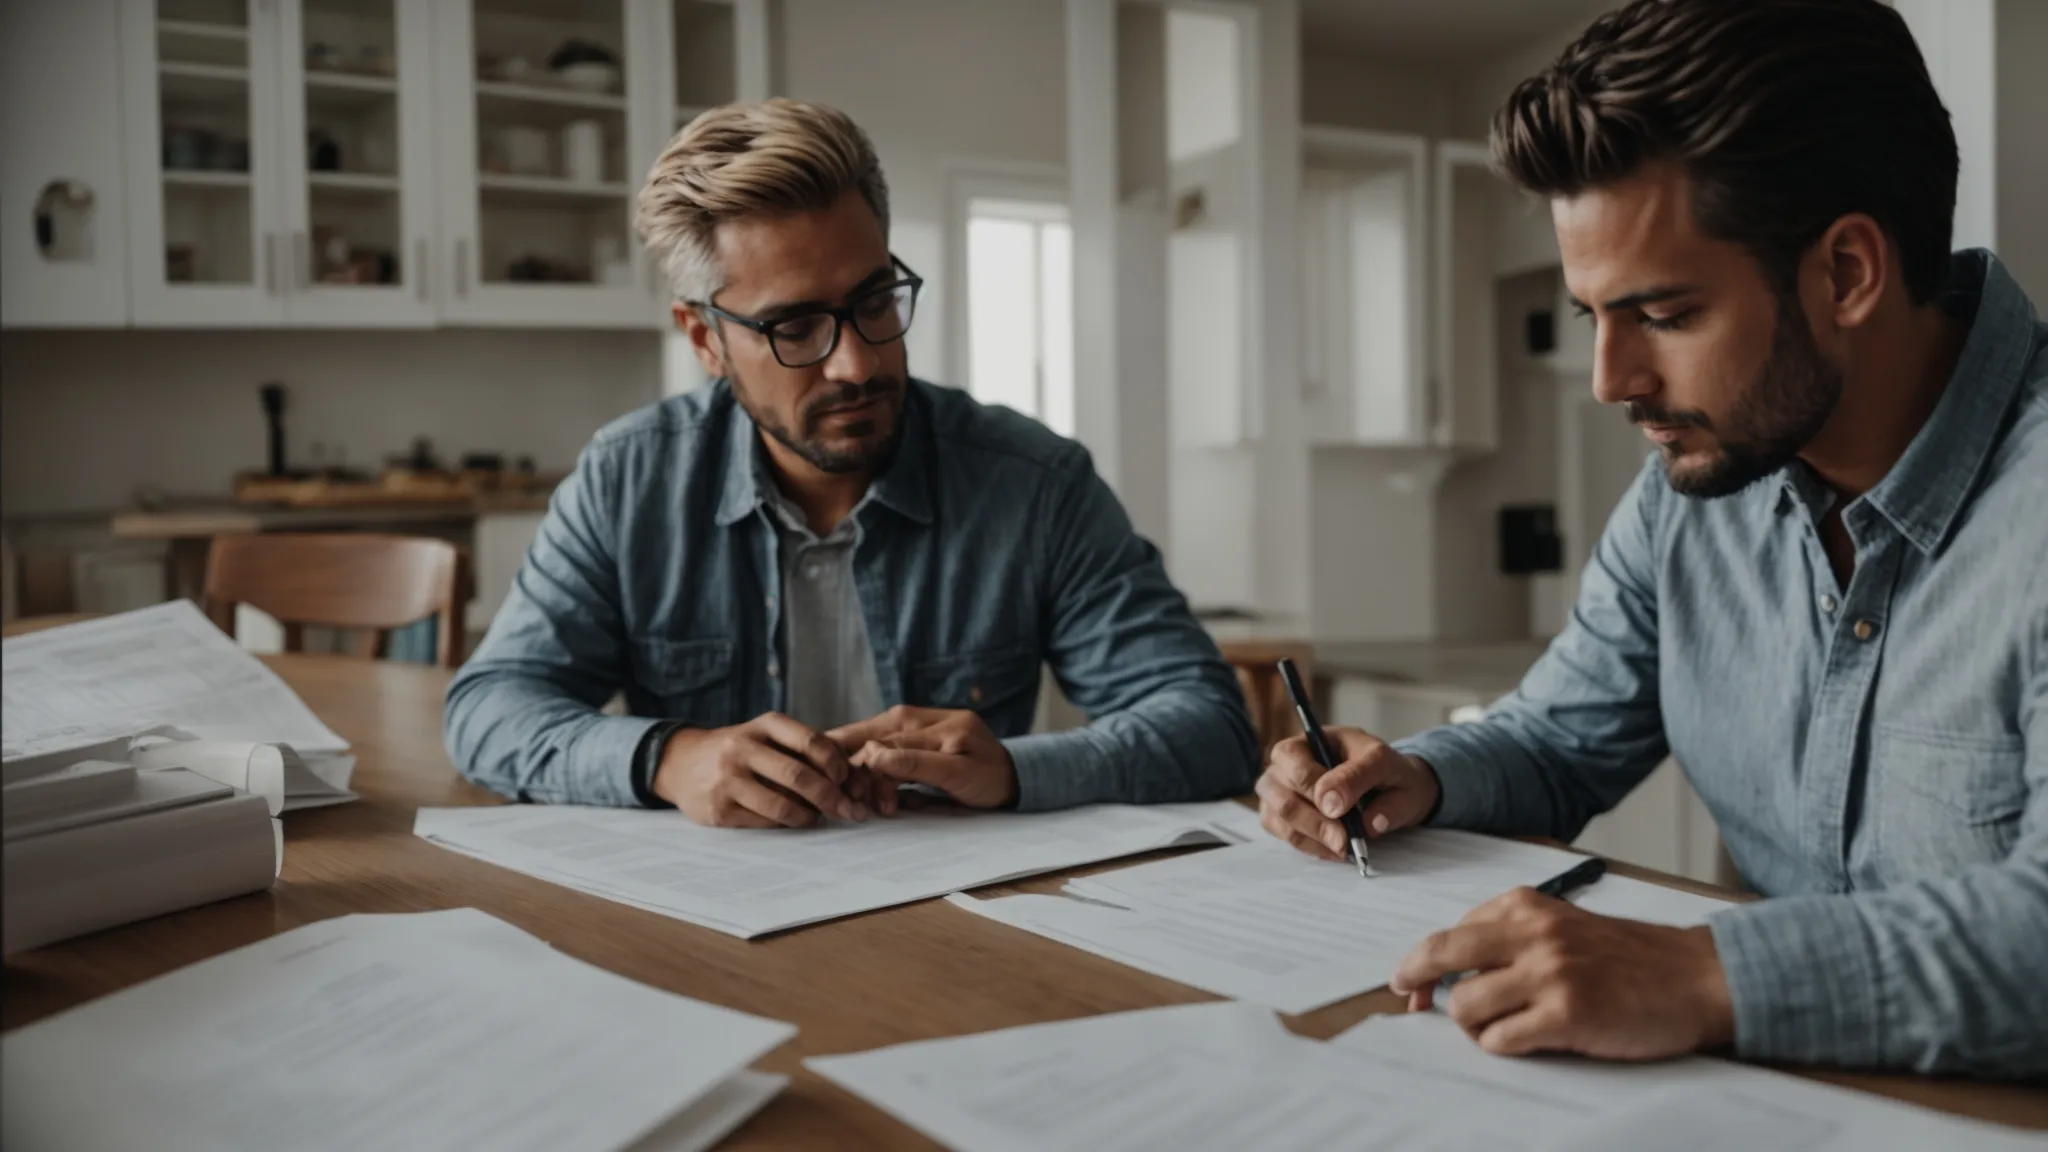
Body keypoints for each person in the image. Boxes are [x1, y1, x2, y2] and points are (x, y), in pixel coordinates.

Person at [1256, 0, 2045, 1075]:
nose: (1608, 382)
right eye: (1593, 318)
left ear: (1847, 273)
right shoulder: (1689, 493)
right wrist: (1414, 777)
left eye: (1664, 316)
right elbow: (1555, 739)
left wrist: (1700, 973)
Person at [447, 99, 1255, 827]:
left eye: (874, 303)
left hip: (965, 931)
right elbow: (489, 709)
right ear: (706, 342)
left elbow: (1209, 722)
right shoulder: (629, 480)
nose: (857, 367)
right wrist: (670, 758)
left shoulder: (1033, 483)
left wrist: (1014, 768)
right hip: (711, 925)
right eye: (795, 328)